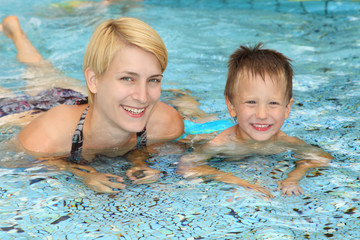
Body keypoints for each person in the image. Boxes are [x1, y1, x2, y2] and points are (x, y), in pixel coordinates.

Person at [1, 15, 184, 193]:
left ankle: (16, 33)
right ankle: (16, 34)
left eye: (153, 80)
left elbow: (151, 149)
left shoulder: (165, 125)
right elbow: (32, 161)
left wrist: (139, 162)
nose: (143, 97)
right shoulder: (46, 138)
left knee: (42, 70)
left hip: (79, 99)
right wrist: (83, 175)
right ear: (94, 81)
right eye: (127, 78)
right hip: (27, 114)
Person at [177, 43, 333, 198]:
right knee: (189, 120)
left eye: (273, 103)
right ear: (231, 106)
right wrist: (239, 182)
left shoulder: (284, 141)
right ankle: (182, 97)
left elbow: (323, 158)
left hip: (239, 123)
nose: (262, 115)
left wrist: (293, 177)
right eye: (251, 102)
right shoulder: (222, 142)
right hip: (209, 130)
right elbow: (187, 165)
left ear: (287, 108)